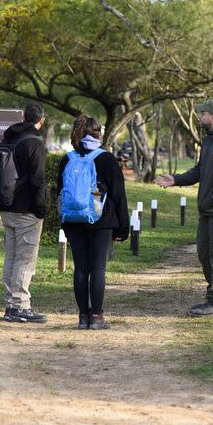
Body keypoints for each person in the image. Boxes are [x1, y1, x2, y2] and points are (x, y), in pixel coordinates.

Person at [155, 98, 213, 317]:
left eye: (202, 113)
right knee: (204, 255)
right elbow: (198, 171)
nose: (199, 116)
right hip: (207, 210)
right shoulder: (208, 141)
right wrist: (175, 179)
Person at [58, 115, 129, 330]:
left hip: (73, 220)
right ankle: (96, 317)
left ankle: (82, 317)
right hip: (101, 222)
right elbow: (118, 196)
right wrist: (122, 228)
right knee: (97, 269)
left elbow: (59, 193)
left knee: (80, 268)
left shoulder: (67, 159)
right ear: (97, 133)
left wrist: (63, 222)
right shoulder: (106, 159)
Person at [0, 102, 48, 323]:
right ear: (42, 120)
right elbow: (38, 180)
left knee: (11, 255)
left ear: (23, 117)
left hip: (7, 206)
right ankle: (21, 305)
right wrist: (42, 209)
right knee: (25, 258)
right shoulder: (34, 143)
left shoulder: (9, 138)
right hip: (26, 209)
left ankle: (10, 305)